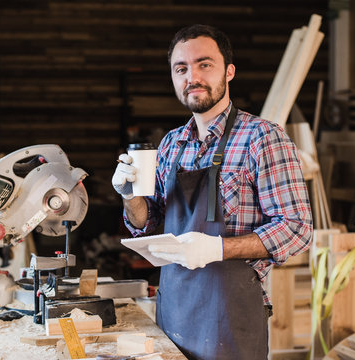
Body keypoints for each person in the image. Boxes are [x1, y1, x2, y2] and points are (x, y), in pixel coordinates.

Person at [112, 24, 313, 359]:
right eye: (182, 68)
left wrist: (217, 248)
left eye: (205, 64)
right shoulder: (171, 144)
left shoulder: (262, 138)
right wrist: (130, 196)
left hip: (230, 323)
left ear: (229, 71)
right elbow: (152, 223)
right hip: (173, 313)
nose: (193, 76)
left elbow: (297, 228)